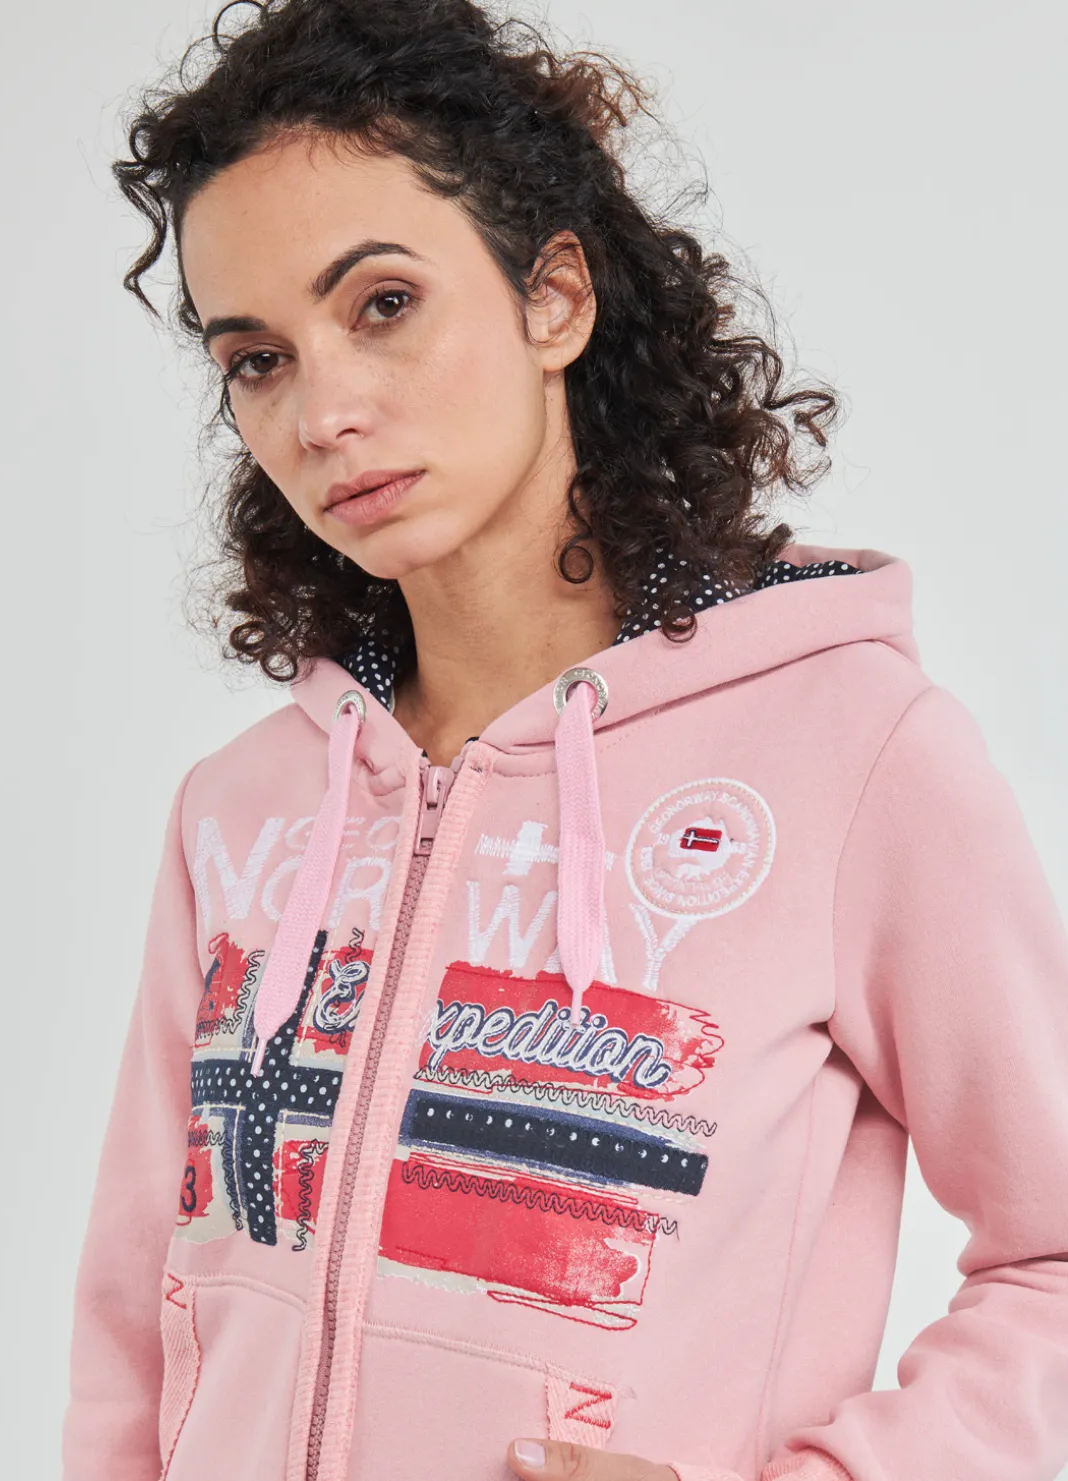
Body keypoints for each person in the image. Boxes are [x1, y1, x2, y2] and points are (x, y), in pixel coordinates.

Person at [62, 2, 1068, 1479]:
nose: (323, 412)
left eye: (383, 304)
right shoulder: (243, 807)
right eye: (257, 358)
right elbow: (128, 1336)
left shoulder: (849, 752)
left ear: (554, 301)